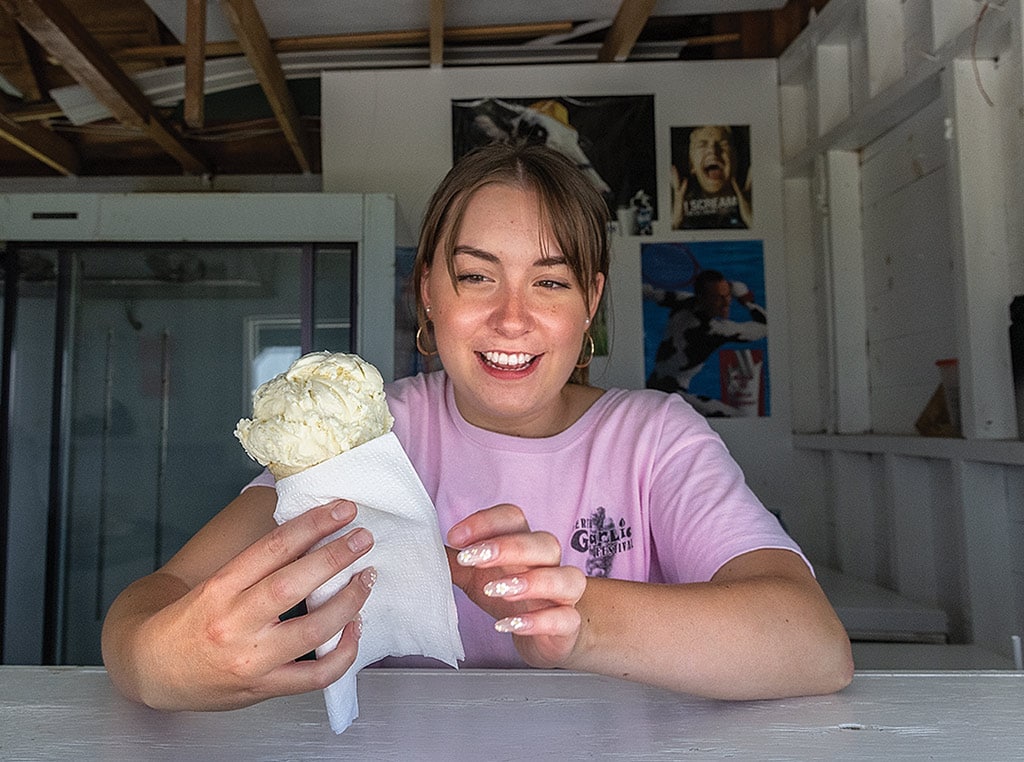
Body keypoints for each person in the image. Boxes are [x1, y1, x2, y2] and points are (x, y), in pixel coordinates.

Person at [101, 141, 852, 713]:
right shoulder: (367, 432)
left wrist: (577, 621)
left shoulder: (656, 437)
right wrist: (164, 662)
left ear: (589, 303)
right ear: (427, 288)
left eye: (550, 282)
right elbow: (155, 603)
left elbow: (813, 645)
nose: (513, 318)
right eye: (475, 276)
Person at [644, 269, 768, 417]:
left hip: (655, 387)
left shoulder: (683, 301)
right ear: (702, 298)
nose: (726, 302)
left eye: (727, 295)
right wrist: (747, 301)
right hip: (674, 393)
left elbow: (649, 292)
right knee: (740, 416)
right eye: (717, 297)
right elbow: (766, 327)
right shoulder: (717, 330)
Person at [671, 125, 752, 229]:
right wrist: (675, 223)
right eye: (702, 145)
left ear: (736, 160)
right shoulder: (680, 214)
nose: (713, 151)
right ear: (692, 165)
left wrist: (752, 220)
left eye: (723, 144)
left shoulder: (752, 209)